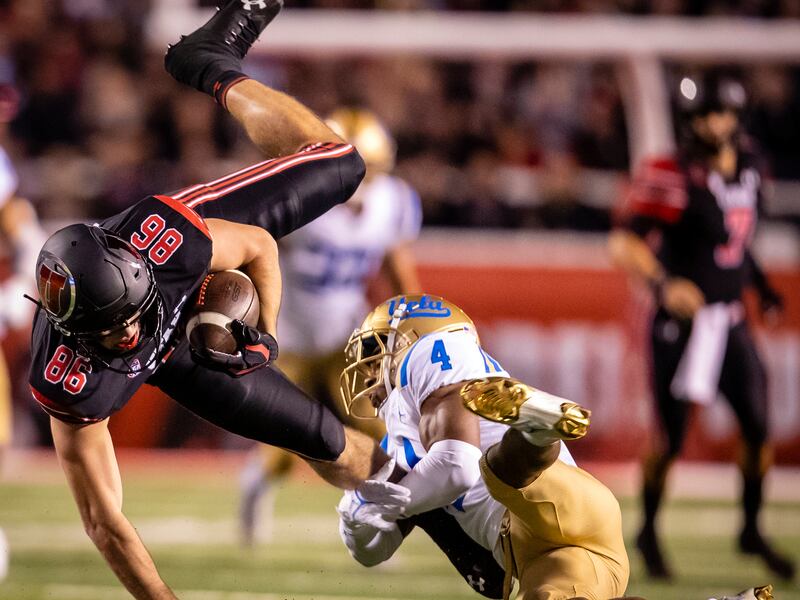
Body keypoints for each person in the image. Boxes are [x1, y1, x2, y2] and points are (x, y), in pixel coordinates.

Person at [27, 2, 389, 597]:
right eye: (109, 332)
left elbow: (259, 246)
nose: (124, 334)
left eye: (129, 317)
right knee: (323, 438)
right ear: (77, 335)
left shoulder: (166, 247)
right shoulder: (70, 378)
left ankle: (209, 65)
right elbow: (104, 522)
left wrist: (266, 333)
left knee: (342, 164)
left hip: (186, 285)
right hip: (180, 355)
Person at [608, 73, 795, 581]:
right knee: (669, 438)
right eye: (701, 116)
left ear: (736, 118)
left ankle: (751, 527)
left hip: (730, 318)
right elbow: (623, 243)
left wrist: (762, 286)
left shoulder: (752, 165)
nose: (711, 126)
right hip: (681, 322)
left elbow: (734, 240)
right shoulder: (670, 173)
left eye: (720, 115)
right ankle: (646, 528)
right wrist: (664, 283)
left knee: (757, 428)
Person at [335, 293, 631, 600]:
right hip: (546, 554)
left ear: (409, 336)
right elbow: (372, 553)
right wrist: (354, 514)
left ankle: (535, 434)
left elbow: (457, 466)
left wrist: (383, 503)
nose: (368, 372)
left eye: (374, 349)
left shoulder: (436, 349)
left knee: (496, 472)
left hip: (543, 502)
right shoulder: (396, 446)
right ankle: (535, 429)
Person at [239, 106, 422, 545]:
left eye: (372, 169)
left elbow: (398, 268)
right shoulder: (297, 198)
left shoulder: (393, 201)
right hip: (288, 336)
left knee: (377, 433)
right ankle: (255, 488)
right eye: (356, 166)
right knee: (286, 440)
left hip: (347, 335)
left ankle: (380, 526)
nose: (362, 179)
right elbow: (251, 252)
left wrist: (412, 319)